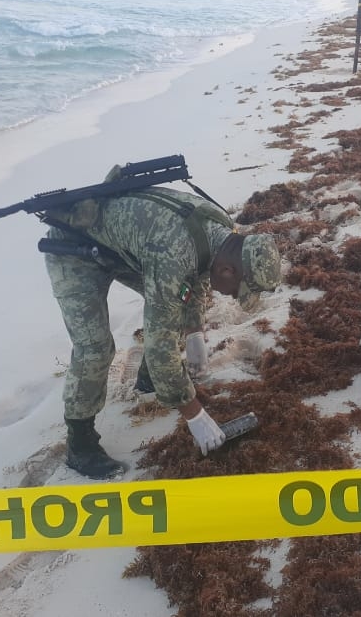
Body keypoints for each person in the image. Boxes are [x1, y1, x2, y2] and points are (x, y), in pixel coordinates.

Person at [42, 172, 281, 478]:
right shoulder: (173, 253)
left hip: (125, 248)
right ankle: (80, 443)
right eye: (237, 290)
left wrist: (195, 332)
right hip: (72, 248)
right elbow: (160, 346)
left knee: (175, 308)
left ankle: (150, 381)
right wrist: (194, 415)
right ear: (227, 269)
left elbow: (195, 275)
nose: (232, 295)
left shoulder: (222, 230)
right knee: (96, 348)